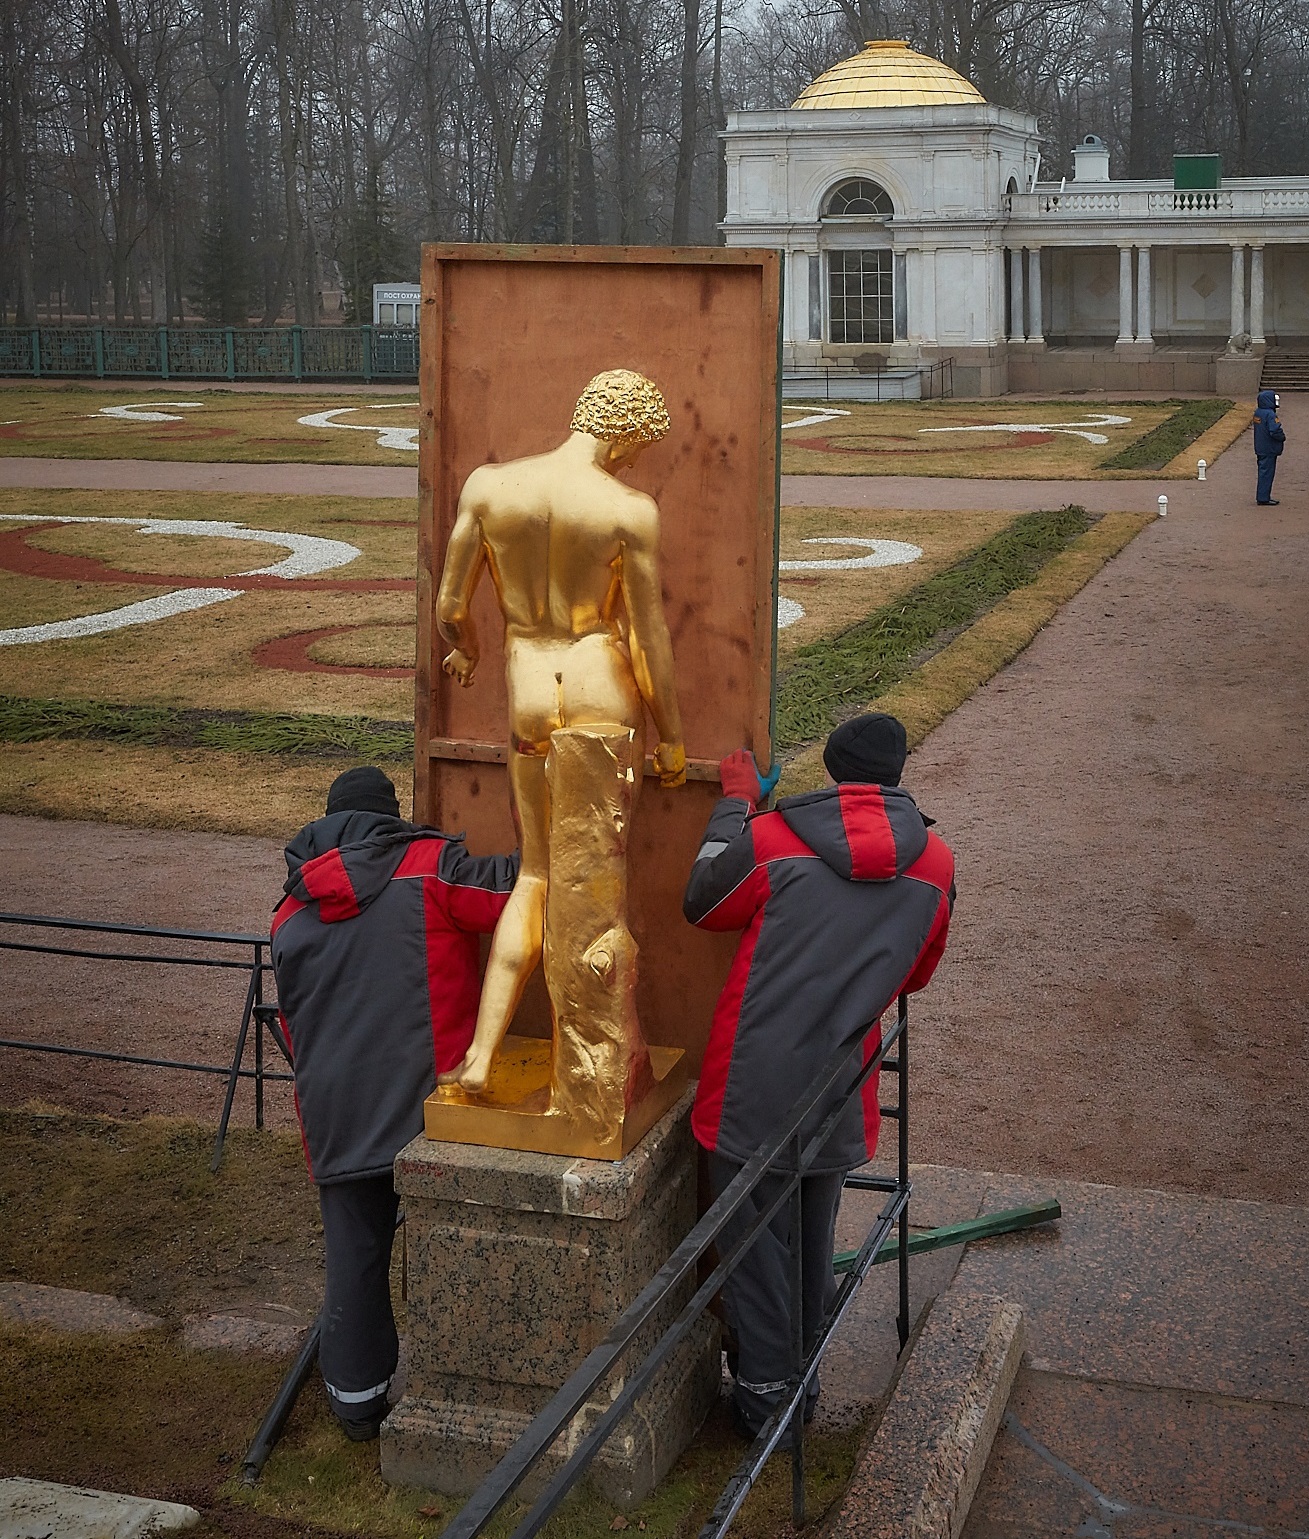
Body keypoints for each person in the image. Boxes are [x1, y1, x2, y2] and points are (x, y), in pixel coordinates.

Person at [681, 713, 955, 1437]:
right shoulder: (936, 865)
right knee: (808, 1239)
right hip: (840, 1082)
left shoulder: (769, 841)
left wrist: (735, 806)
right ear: (897, 773)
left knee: (752, 1246)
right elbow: (917, 974)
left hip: (751, 1081)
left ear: (831, 767)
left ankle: (767, 1399)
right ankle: (799, 1383)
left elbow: (701, 901)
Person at [434, 369, 686, 1114]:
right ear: (626, 429)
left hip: (525, 690)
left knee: (537, 878)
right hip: (598, 690)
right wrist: (671, 737)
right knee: (595, 896)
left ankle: (480, 1057)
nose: (639, 458)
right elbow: (647, 638)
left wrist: (470, 651)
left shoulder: (488, 487)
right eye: (641, 443)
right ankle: (584, 1079)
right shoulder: (626, 510)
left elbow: (450, 606)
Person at [269, 765, 518, 1440]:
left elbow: (294, 1024)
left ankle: (356, 1403)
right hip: (431, 1107)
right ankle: (467, 1396)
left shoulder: (289, 912)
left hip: (336, 1111)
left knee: (354, 1259)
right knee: (455, 1247)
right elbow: (515, 899)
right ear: (390, 814)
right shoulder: (431, 867)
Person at [1252, 389, 1286, 506]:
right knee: (1267, 473)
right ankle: (1263, 497)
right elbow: (1275, 430)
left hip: (1260, 447)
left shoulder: (1258, 413)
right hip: (1269, 448)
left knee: (1263, 472)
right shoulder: (1270, 414)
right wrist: (1282, 437)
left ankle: (1262, 496)